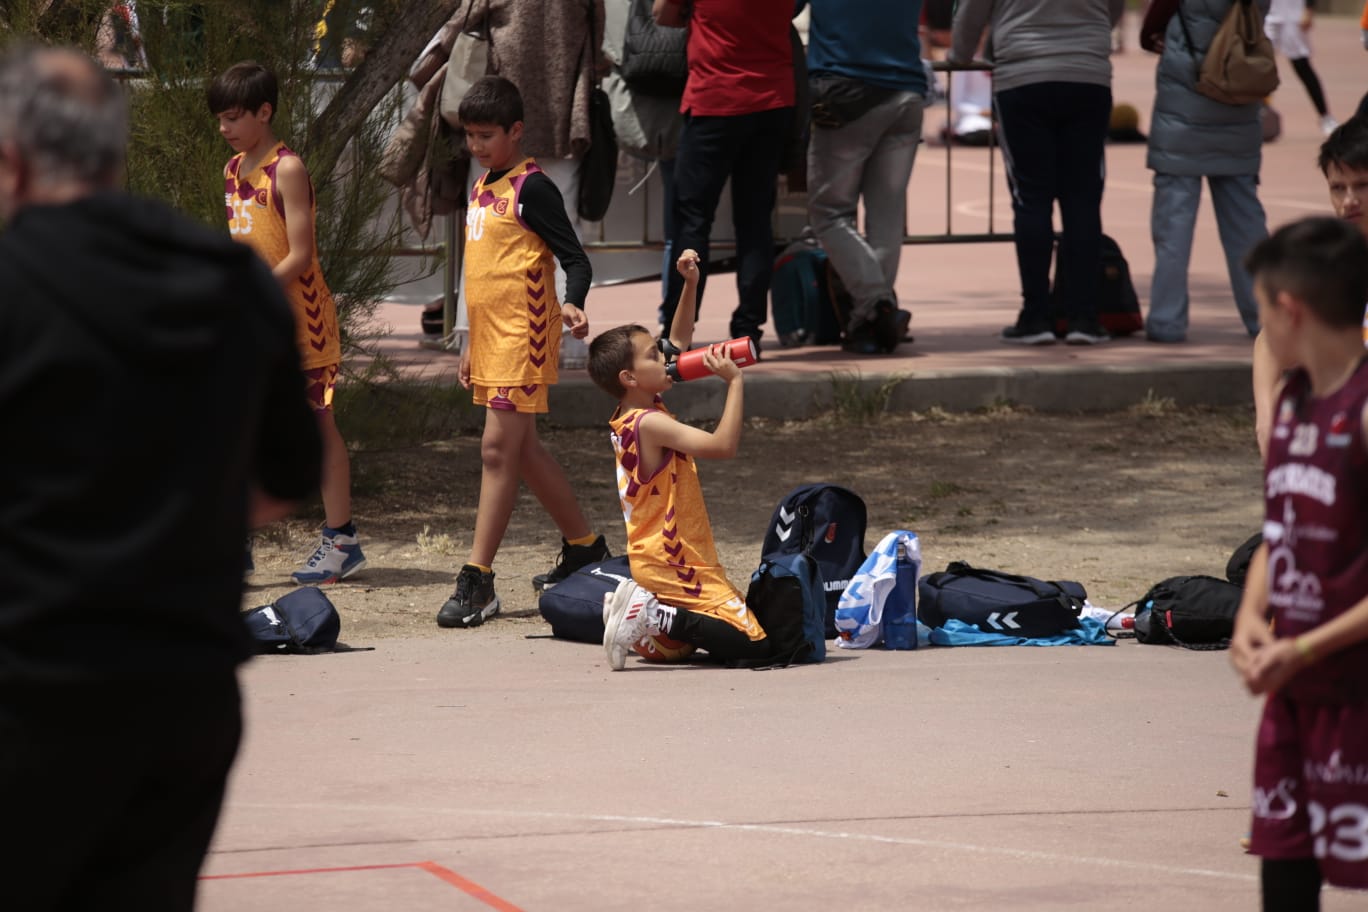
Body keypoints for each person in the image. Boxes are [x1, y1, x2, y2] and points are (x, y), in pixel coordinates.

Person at [0, 45, 321, 909]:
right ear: (111, 149)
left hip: (34, 691)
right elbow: (282, 478)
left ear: (13, 158)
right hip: (182, 697)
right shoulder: (225, 278)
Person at [437, 75, 609, 628]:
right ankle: (584, 549)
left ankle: (478, 578)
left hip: (526, 338)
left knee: (496, 450)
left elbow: (576, 259)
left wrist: (574, 303)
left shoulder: (533, 188)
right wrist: (469, 339)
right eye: (469, 136)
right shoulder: (483, 186)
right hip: (491, 340)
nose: (477, 146)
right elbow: (481, 274)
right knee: (525, 452)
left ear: (517, 130)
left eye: (487, 135)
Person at [1231, 215, 1368, 909]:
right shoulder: (1293, 404)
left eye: (1261, 312)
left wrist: (1306, 645)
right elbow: (1280, 529)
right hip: (1297, 691)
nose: (1263, 332)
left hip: (1355, 691)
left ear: (1291, 309)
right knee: (1285, 874)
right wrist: (1252, 617)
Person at [209, 61, 366, 585]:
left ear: (265, 112)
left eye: (234, 117)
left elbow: (301, 254)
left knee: (319, 429)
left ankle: (341, 540)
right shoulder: (232, 171)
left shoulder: (287, 169)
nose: (225, 128)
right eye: (221, 118)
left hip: (304, 326)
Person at [590, 250, 771, 670]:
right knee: (757, 644)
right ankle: (655, 615)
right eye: (654, 356)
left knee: (686, 647)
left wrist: (690, 283)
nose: (666, 357)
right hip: (676, 561)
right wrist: (735, 382)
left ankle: (651, 625)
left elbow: (679, 338)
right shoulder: (650, 423)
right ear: (629, 378)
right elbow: (723, 446)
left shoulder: (628, 411)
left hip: (653, 559)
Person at [951, 0, 1125, 346]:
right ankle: (1083, 318)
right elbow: (1114, 7)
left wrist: (960, 56)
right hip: (1085, 74)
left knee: (1031, 198)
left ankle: (1036, 315)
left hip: (1023, 74)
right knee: (1082, 199)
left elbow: (971, 13)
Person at [653, 0, 796, 354]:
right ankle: (749, 332)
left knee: (692, 221)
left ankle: (677, 331)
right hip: (771, 99)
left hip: (714, 99)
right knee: (755, 222)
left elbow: (662, 15)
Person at [798, 0, 927, 355]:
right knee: (886, 215)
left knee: (829, 212)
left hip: (846, 89)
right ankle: (871, 320)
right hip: (907, 88)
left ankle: (876, 304)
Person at [1141, 0, 1268, 344]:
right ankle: (1265, 316)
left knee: (1173, 226)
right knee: (1245, 220)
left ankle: (1167, 320)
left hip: (1183, 104)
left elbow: (1152, 23)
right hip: (1237, 98)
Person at [1253, 117, 1368, 458]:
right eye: (1337, 188)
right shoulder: (1328, 259)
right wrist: (1265, 421)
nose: (1349, 200)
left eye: (1362, 185)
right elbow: (1269, 342)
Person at [1263, 0, 1337, 136]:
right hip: (1267, 11)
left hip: (1294, 11)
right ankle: (1260, 113)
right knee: (1262, 67)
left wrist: (1309, 9)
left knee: (1302, 66)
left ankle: (1325, 117)